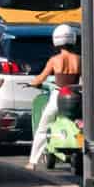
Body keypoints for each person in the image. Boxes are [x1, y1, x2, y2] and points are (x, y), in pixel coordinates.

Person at [28, 23, 83, 169]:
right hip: (76, 96)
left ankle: (33, 161)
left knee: (42, 128)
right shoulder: (80, 59)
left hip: (58, 96)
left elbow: (40, 78)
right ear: (73, 39)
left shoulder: (54, 60)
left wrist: (32, 83)